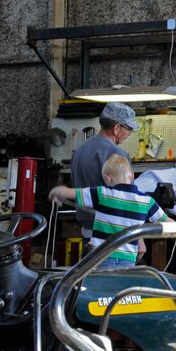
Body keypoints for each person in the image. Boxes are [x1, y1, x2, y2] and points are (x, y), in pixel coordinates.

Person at [50, 155, 171, 268]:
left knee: (99, 284)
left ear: (107, 178)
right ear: (132, 176)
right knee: (122, 285)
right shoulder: (146, 201)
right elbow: (166, 220)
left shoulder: (102, 193)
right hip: (127, 260)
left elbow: (69, 193)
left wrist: (55, 192)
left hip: (101, 257)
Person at [71, 102, 142, 245]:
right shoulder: (116, 154)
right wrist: (139, 238)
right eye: (129, 129)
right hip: (112, 234)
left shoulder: (80, 151)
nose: (129, 134)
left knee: (90, 261)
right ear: (116, 128)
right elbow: (126, 198)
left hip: (88, 231)